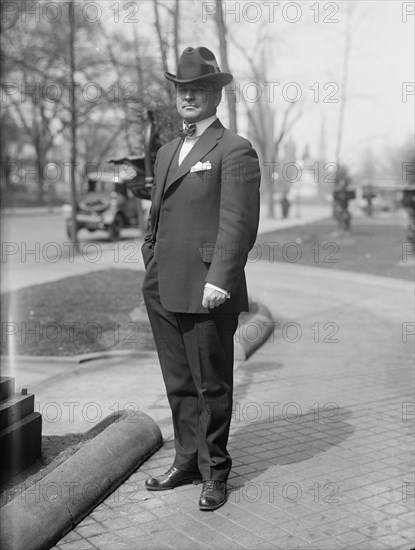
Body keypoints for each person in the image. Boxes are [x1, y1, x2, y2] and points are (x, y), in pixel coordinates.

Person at [141, 46, 261, 511]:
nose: (188, 97)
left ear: (215, 95)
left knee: (211, 384)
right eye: (182, 89)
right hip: (162, 283)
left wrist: (222, 278)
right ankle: (187, 460)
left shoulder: (235, 149)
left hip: (208, 286)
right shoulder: (169, 149)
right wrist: (149, 257)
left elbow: (239, 223)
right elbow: (157, 214)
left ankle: (216, 473)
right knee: (178, 382)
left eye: (198, 89)